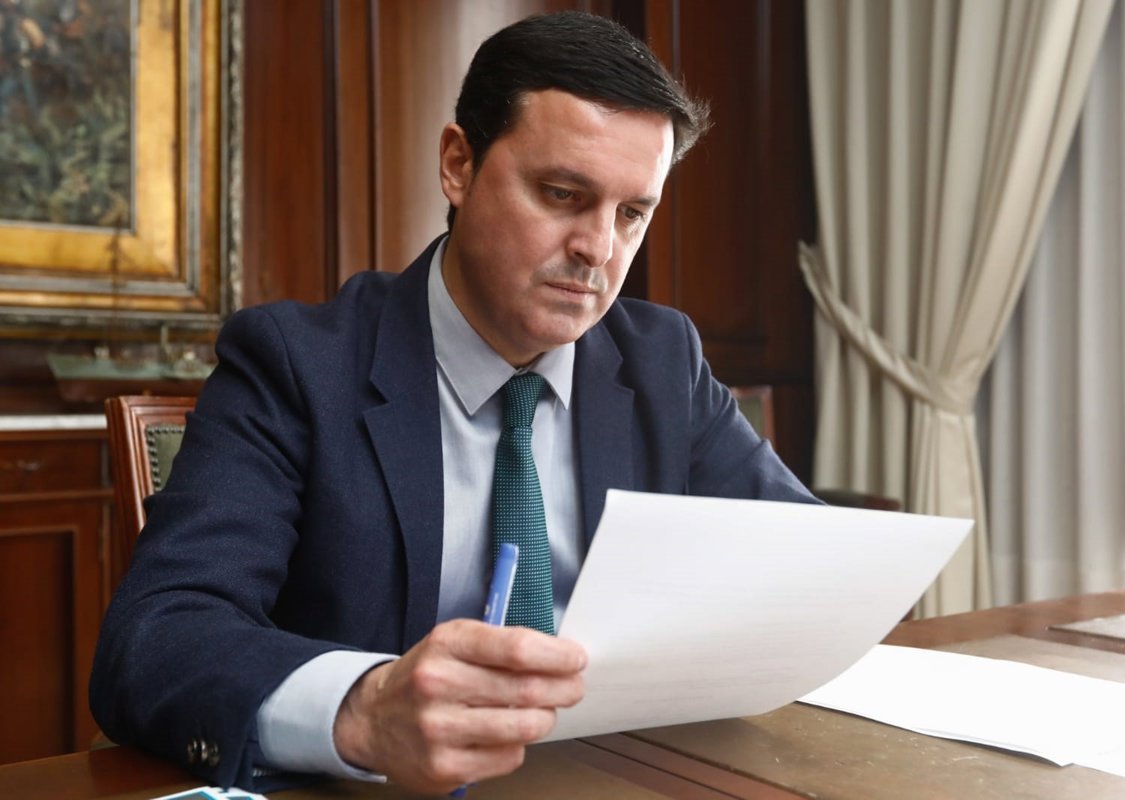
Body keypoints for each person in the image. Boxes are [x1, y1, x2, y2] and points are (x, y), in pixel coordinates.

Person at [89, 10, 818, 796]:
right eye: (562, 194)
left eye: (631, 213)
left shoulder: (661, 360)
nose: (599, 248)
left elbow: (811, 561)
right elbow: (157, 638)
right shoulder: (297, 365)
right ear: (458, 165)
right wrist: (364, 709)